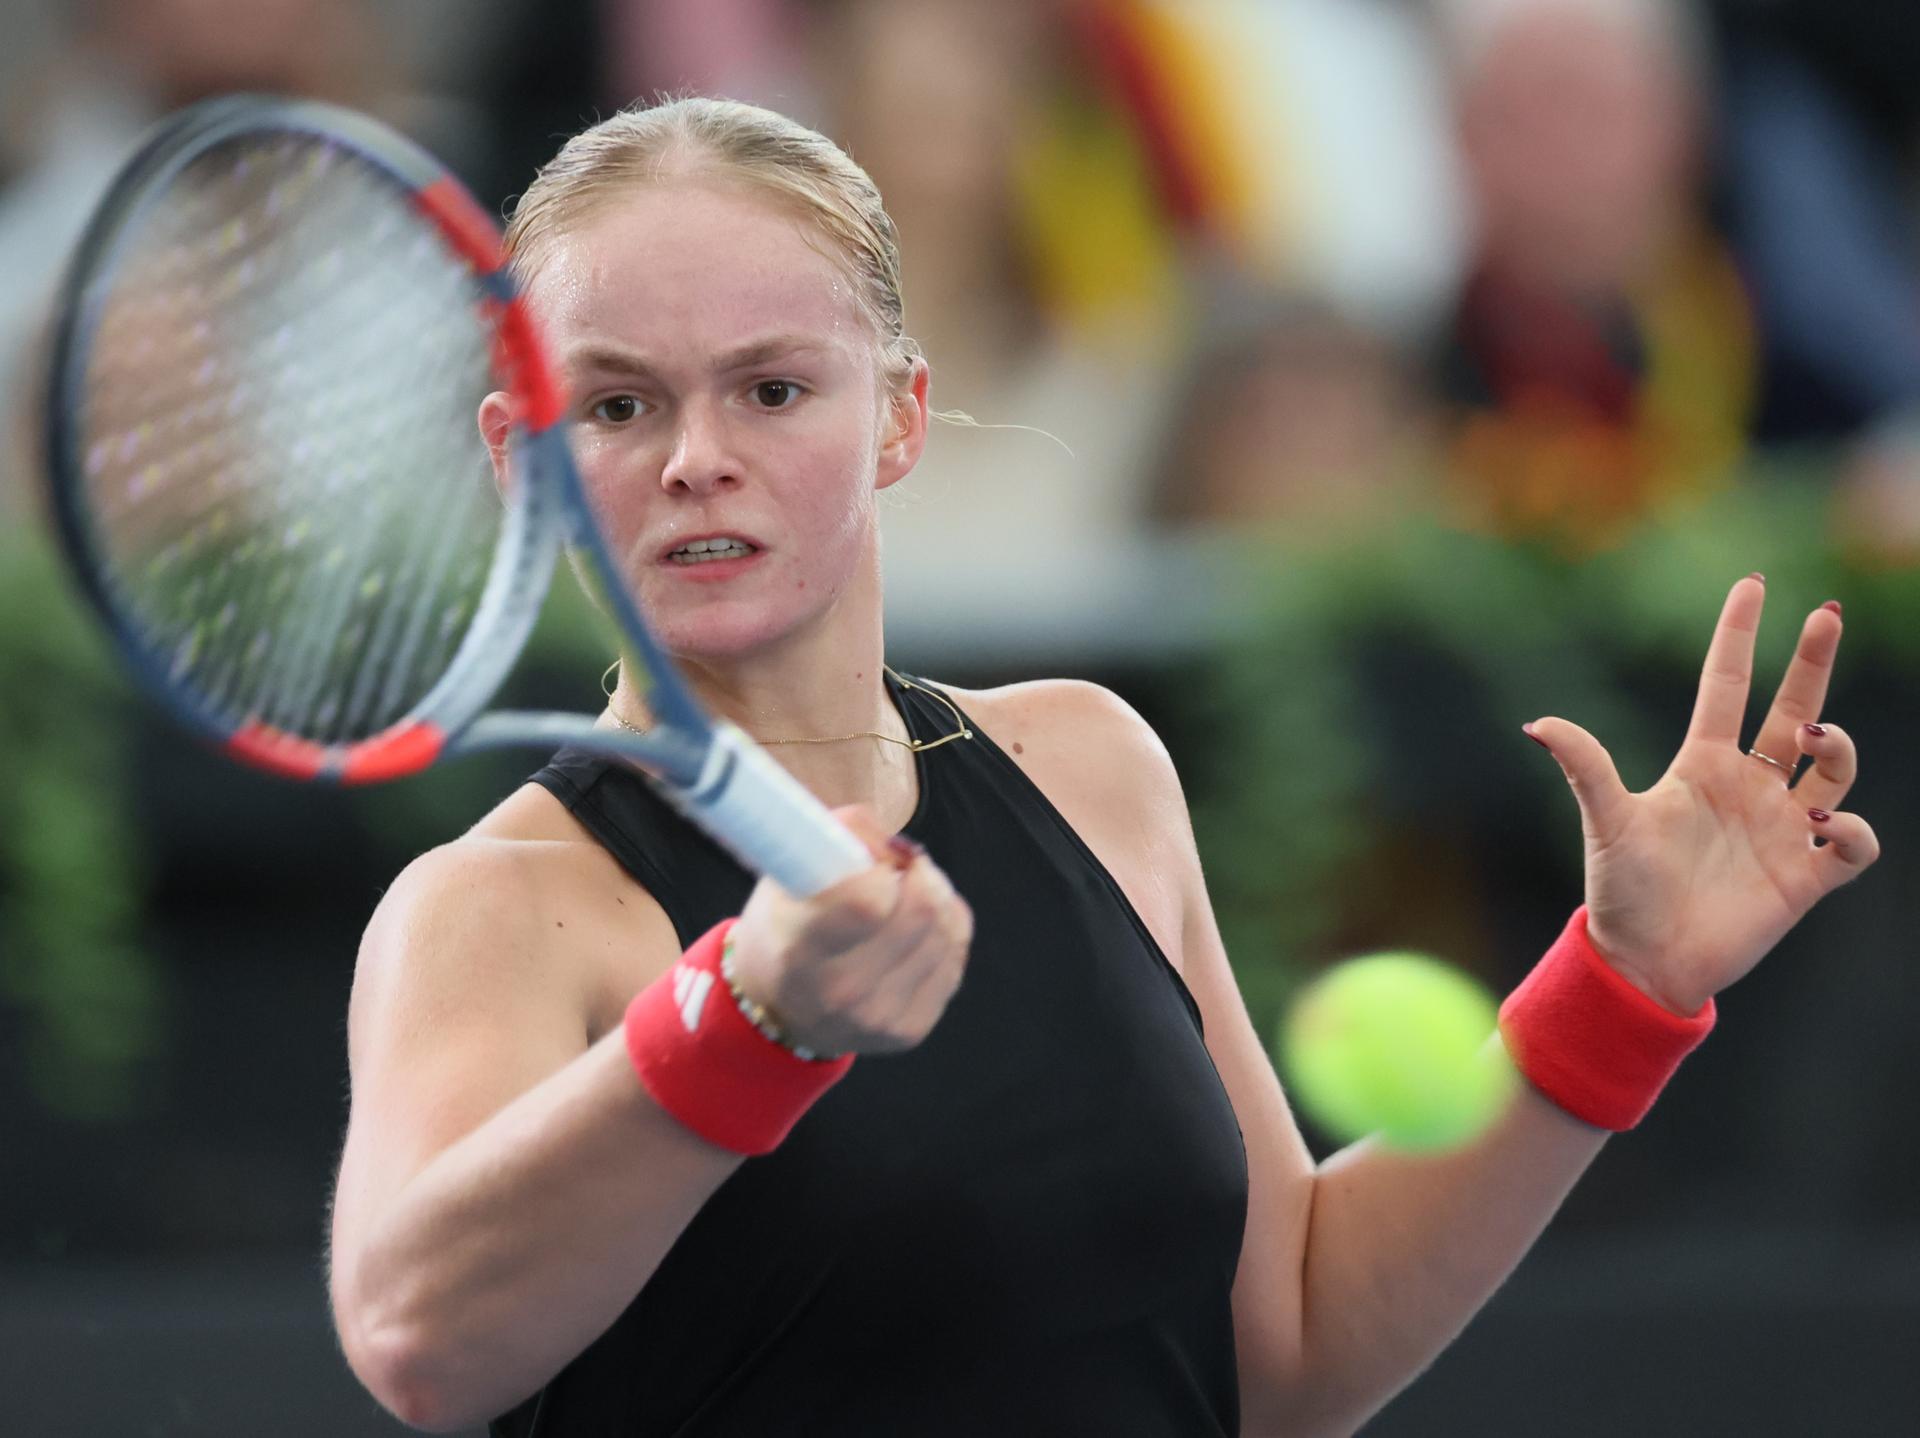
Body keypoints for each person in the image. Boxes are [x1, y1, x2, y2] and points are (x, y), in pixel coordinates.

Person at [323, 97, 1879, 1436]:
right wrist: (745, 1020)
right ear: (522, 456)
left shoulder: (1092, 766)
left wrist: (1617, 989)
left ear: (901, 415)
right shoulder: (494, 909)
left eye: (774, 387)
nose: (693, 456)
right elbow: (415, 1336)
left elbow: (1286, 1348)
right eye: (615, 403)